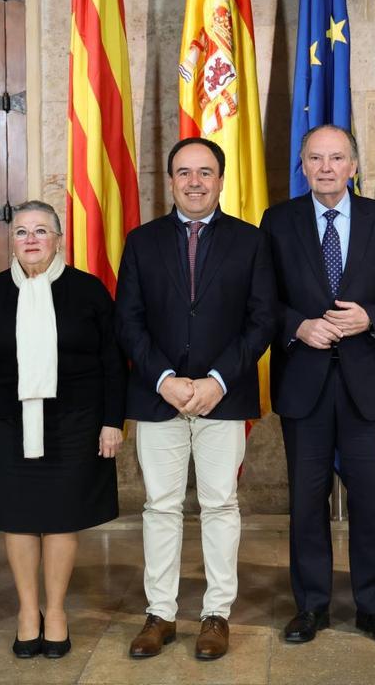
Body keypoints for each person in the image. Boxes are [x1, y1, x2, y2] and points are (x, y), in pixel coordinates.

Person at [259, 125, 375, 646]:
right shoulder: (278, 222)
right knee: (306, 502)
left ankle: (374, 608)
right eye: (315, 158)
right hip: (303, 383)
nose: (326, 167)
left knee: (371, 500)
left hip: (364, 382)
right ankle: (311, 607)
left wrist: (370, 317)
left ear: (353, 165)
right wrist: (297, 326)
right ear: (302, 166)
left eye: (336, 158)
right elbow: (262, 299)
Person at [115, 137, 275, 661]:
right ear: (171, 181)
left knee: (219, 504)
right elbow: (129, 321)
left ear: (221, 180)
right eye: (184, 173)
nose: (195, 182)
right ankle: (160, 613)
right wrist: (162, 377)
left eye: (205, 172)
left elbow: (262, 320)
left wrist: (216, 381)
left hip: (222, 396)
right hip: (157, 394)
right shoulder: (141, 242)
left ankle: (216, 614)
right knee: (160, 505)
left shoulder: (251, 242)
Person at [0, 200, 125, 660]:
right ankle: (26, 612)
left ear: (58, 239)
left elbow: (113, 362)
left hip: (75, 423)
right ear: (10, 241)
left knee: (60, 519)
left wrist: (113, 421)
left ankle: (56, 613)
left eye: (41, 231)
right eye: (21, 232)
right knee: (18, 517)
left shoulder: (88, 291)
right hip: (7, 425)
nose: (30, 240)